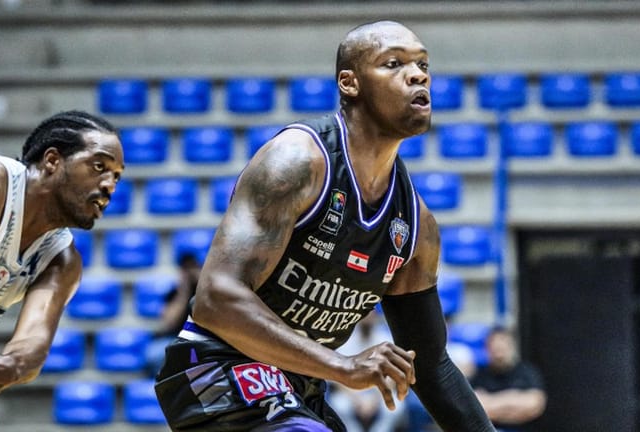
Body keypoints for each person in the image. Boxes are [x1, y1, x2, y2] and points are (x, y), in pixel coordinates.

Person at [155, 20, 495, 432]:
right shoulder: (297, 162)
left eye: (423, 64)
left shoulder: (415, 225)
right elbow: (215, 299)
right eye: (394, 63)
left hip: (301, 387)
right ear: (349, 83)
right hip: (216, 366)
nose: (417, 74)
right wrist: (344, 366)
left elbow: (430, 366)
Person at [0, 110, 124, 407]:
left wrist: (11, 367)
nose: (109, 185)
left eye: (116, 176)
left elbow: (32, 342)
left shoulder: (61, 261)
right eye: (99, 166)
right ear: (52, 161)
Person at [327, 310, 407, 432]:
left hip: (379, 393)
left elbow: (393, 376)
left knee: (395, 409)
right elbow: (336, 375)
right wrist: (357, 400)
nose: (368, 320)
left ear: (376, 318)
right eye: (365, 316)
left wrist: (374, 401)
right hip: (351, 393)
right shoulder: (346, 340)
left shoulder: (385, 340)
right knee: (340, 406)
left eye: (371, 316)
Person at [469, 327, 546, 432]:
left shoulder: (527, 372)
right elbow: (475, 410)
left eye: (502, 348)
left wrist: (491, 401)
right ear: (487, 349)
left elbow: (535, 405)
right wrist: (514, 398)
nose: (499, 354)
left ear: (511, 347)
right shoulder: (479, 376)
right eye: (495, 349)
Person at [144, 253, 201, 377]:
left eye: (193, 267)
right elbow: (170, 322)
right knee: (155, 354)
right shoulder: (173, 293)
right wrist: (183, 292)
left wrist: (202, 287)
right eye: (186, 269)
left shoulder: (208, 294)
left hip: (200, 339)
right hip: (175, 338)